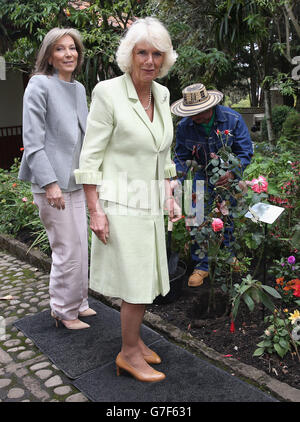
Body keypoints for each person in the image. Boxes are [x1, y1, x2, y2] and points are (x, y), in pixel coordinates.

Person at [74, 17, 180, 382]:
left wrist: (170, 194)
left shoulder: (162, 94)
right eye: (142, 53)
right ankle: (128, 353)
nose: (149, 60)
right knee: (135, 284)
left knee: (148, 279)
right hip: (120, 204)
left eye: (156, 54)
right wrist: (95, 211)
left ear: (164, 59)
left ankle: (135, 342)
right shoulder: (108, 92)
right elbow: (90, 157)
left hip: (150, 202)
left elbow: (163, 153)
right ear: (129, 55)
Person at [18, 28, 96, 329]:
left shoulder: (77, 89)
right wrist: (50, 184)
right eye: (61, 49)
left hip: (76, 181)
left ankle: (79, 302)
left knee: (80, 246)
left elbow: (85, 136)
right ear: (49, 55)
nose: (69, 54)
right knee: (66, 248)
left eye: (73, 48)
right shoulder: (39, 85)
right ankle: (63, 310)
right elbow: (33, 142)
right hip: (52, 184)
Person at [171, 83, 253, 287]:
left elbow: (245, 152)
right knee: (195, 217)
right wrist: (177, 181)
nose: (195, 116)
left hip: (228, 177)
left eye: (198, 112)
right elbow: (181, 157)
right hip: (201, 175)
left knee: (228, 216)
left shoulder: (232, 120)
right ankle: (201, 267)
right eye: (191, 113)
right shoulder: (184, 126)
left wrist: (233, 172)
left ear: (210, 106)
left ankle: (229, 256)